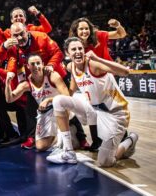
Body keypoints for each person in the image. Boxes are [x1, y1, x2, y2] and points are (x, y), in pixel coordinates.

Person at [47, 37, 138, 166]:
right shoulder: (71, 67)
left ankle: (129, 140)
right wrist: (52, 102)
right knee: (58, 101)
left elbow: (125, 72)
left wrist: (98, 58)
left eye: (80, 48)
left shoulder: (93, 65)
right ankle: (68, 151)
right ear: (67, 53)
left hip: (116, 113)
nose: (78, 51)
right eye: (74, 49)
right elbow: (71, 91)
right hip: (95, 110)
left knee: (105, 162)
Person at [69, 17, 127, 150]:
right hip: (90, 77)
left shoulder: (99, 35)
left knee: (108, 107)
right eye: (81, 29)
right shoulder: (76, 45)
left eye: (86, 28)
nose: (84, 31)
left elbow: (121, 34)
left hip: (107, 75)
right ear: (75, 31)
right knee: (92, 107)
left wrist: (117, 25)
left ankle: (122, 135)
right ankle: (96, 140)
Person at [5, 54, 75, 151]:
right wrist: (7, 82)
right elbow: (9, 99)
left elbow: (67, 97)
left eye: (38, 63)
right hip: (45, 113)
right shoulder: (26, 83)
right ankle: (64, 133)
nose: (36, 66)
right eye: (32, 64)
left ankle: (64, 134)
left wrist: (49, 100)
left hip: (60, 109)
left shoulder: (52, 76)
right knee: (40, 146)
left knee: (61, 108)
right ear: (28, 66)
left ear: (42, 64)